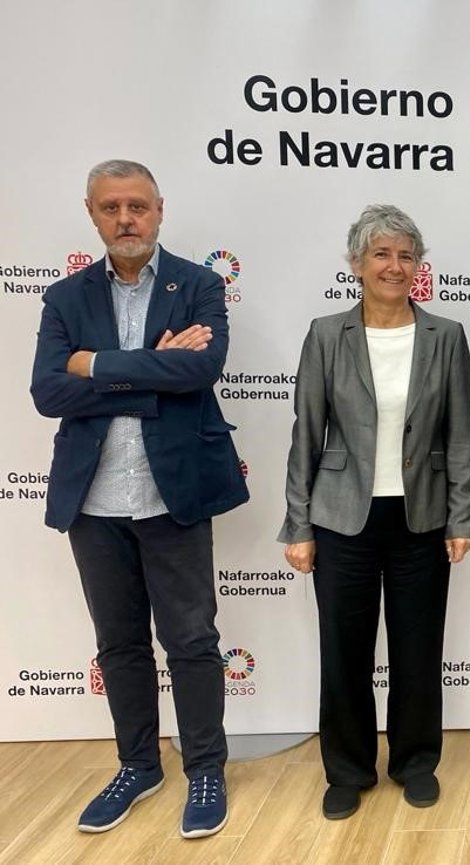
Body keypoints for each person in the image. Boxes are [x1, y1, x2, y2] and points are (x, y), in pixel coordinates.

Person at [30, 159, 248, 838]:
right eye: (111, 207)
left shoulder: (199, 284)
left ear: (159, 210)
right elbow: (47, 392)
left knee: (191, 640)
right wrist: (156, 369)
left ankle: (205, 768)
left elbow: (202, 368)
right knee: (120, 643)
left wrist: (94, 364)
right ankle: (138, 765)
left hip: (172, 492)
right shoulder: (65, 297)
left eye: (137, 206)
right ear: (92, 213)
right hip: (93, 501)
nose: (125, 219)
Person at [279, 205, 470, 820]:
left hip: (422, 519)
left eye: (405, 256)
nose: (395, 266)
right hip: (342, 520)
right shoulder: (325, 334)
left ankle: (416, 763)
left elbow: (461, 434)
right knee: (344, 652)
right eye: (381, 254)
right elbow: (306, 434)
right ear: (357, 264)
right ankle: (347, 770)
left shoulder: (446, 335)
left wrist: (462, 517)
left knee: (418, 650)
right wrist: (299, 524)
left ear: (418, 266)